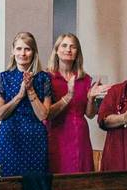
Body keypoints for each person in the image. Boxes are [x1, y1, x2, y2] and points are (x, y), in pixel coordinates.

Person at [45, 33, 108, 173]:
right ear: (56, 50)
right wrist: (68, 96)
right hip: (56, 134)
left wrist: (91, 98)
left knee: (80, 177)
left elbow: (89, 114)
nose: (68, 49)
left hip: (79, 134)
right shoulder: (47, 78)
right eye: (64, 45)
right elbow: (45, 113)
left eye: (73, 47)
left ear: (77, 52)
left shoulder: (85, 79)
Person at [0, 32, 51, 176]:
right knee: (6, 182)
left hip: (34, 137)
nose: (22, 53)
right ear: (13, 51)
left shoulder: (44, 78)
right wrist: (19, 95)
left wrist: (30, 90)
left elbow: (43, 114)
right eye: (19, 49)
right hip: (10, 136)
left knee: (35, 183)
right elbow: (0, 114)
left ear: (34, 52)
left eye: (27, 49)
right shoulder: (3, 77)